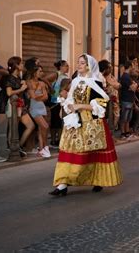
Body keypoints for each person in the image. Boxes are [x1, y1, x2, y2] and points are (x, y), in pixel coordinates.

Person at [50, 54, 123, 196]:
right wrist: (66, 103)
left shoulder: (95, 82)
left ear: (89, 66)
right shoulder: (75, 81)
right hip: (74, 122)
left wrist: (79, 105)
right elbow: (71, 98)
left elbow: (101, 103)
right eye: (78, 62)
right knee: (68, 151)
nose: (79, 65)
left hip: (91, 121)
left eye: (82, 63)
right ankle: (62, 184)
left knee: (91, 153)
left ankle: (98, 179)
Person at [4, 57, 35, 158]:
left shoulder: (18, 78)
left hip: (21, 104)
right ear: (16, 65)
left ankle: (18, 146)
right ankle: (12, 150)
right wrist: (21, 88)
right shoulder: (10, 78)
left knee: (30, 125)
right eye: (21, 63)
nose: (22, 65)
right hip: (13, 104)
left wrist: (23, 84)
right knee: (13, 127)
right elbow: (9, 93)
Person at [26, 65, 50, 158]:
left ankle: (41, 150)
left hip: (42, 107)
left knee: (41, 129)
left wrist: (39, 97)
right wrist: (41, 96)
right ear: (34, 72)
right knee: (45, 126)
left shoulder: (42, 83)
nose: (42, 73)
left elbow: (46, 97)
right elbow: (33, 97)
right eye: (40, 71)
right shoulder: (29, 82)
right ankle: (45, 147)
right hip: (34, 108)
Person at [46, 60, 70, 147]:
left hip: (61, 101)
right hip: (55, 100)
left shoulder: (65, 76)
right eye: (66, 66)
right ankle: (53, 140)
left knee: (59, 121)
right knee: (55, 121)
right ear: (61, 67)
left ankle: (59, 140)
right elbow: (45, 79)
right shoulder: (57, 74)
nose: (68, 67)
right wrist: (51, 89)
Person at [119, 61, 137, 140]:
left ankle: (127, 132)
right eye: (132, 66)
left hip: (129, 99)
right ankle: (123, 133)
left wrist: (133, 85)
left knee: (128, 118)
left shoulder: (127, 76)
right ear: (129, 66)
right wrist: (135, 85)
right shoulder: (125, 76)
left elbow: (132, 88)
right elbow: (133, 88)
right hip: (126, 99)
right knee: (124, 117)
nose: (133, 67)